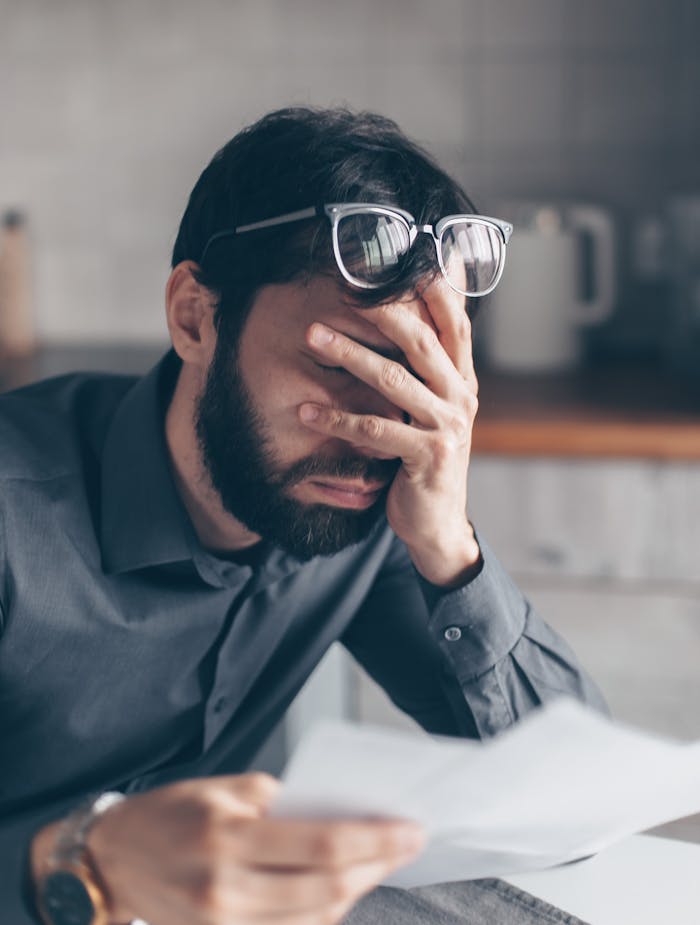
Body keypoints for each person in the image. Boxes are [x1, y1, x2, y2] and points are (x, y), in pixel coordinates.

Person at [1, 107, 605, 925]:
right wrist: (76, 862)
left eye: (406, 377)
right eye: (337, 362)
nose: (376, 429)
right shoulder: (16, 515)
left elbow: (571, 796)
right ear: (194, 317)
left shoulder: (372, 514)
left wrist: (448, 545)